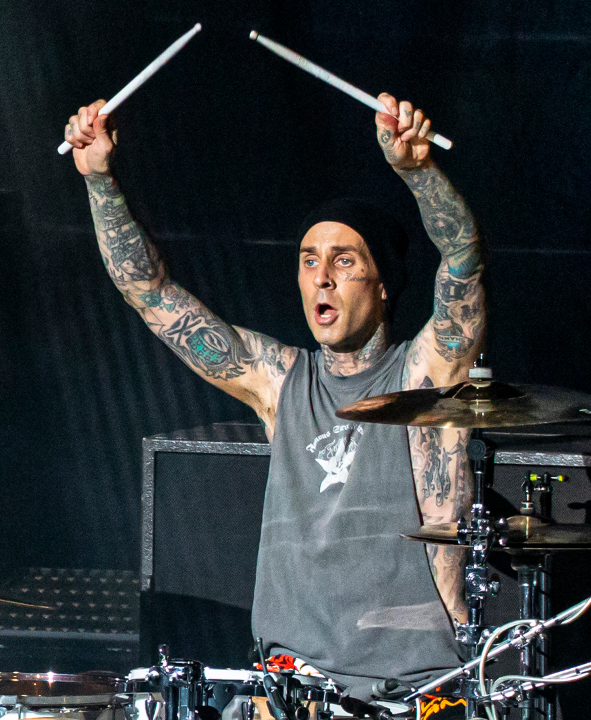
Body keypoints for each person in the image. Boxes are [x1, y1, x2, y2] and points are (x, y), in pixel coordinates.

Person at [63, 94, 484, 698]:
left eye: (344, 260)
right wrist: (100, 181)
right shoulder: (281, 380)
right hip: (290, 685)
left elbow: (464, 260)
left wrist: (418, 173)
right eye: (309, 261)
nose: (322, 277)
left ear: (383, 286)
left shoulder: (424, 376)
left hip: (408, 690)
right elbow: (150, 293)